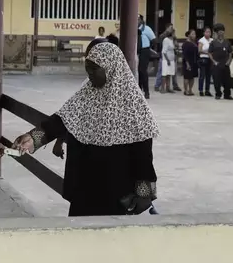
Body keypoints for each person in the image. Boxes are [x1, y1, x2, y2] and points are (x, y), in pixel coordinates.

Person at [13, 42, 159, 217]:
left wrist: (144, 193)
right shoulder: (86, 95)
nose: (90, 75)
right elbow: (61, 120)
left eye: (95, 69)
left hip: (115, 193)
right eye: (88, 69)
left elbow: (143, 156)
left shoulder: (135, 107)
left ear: (111, 68)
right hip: (83, 189)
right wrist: (32, 137)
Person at [208, 23, 233, 100]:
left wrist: (229, 61)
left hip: (225, 64)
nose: (221, 32)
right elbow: (209, 53)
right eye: (219, 31)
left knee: (227, 81)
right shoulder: (213, 43)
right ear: (216, 32)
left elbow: (230, 53)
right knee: (216, 80)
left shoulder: (227, 42)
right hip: (216, 64)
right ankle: (218, 94)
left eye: (222, 31)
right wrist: (214, 61)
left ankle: (227, 94)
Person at [154, 24, 181, 93]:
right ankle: (158, 86)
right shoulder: (163, 37)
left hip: (172, 57)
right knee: (163, 73)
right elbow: (162, 48)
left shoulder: (173, 39)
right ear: (167, 28)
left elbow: (176, 46)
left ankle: (170, 87)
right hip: (165, 58)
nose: (172, 29)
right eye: (171, 28)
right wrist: (166, 59)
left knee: (170, 73)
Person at [137, 15, 156, 99]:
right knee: (137, 71)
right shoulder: (132, 28)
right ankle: (138, 90)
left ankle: (146, 92)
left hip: (144, 50)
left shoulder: (146, 29)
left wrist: (149, 48)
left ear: (141, 20)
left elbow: (154, 40)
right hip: (135, 50)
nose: (136, 21)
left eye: (138, 19)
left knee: (142, 71)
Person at [182, 30, 199, 96]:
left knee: (192, 77)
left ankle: (190, 90)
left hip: (194, 62)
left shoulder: (194, 43)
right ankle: (185, 90)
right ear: (189, 35)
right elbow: (185, 54)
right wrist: (187, 63)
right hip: (187, 62)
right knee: (187, 77)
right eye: (192, 34)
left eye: (195, 34)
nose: (194, 35)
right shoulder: (186, 44)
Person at [197, 27, 213, 97]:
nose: (208, 33)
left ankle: (207, 90)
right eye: (207, 32)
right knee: (202, 75)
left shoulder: (212, 40)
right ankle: (201, 90)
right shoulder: (201, 40)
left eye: (209, 32)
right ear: (204, 33)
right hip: (203, 59)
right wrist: (207, 53)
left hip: (210, 59)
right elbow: (199, 50)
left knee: (208, 76)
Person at [160, 29, 176, 94]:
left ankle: (168, 88)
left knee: (169, 74)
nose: (175, 35)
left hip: (172, 59)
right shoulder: (166, 40)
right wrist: (168, 60)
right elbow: (164, 51)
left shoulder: (172, 40)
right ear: (171, 34)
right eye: (174, 33)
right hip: (166, 60)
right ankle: (162, 88)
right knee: (164, 74)